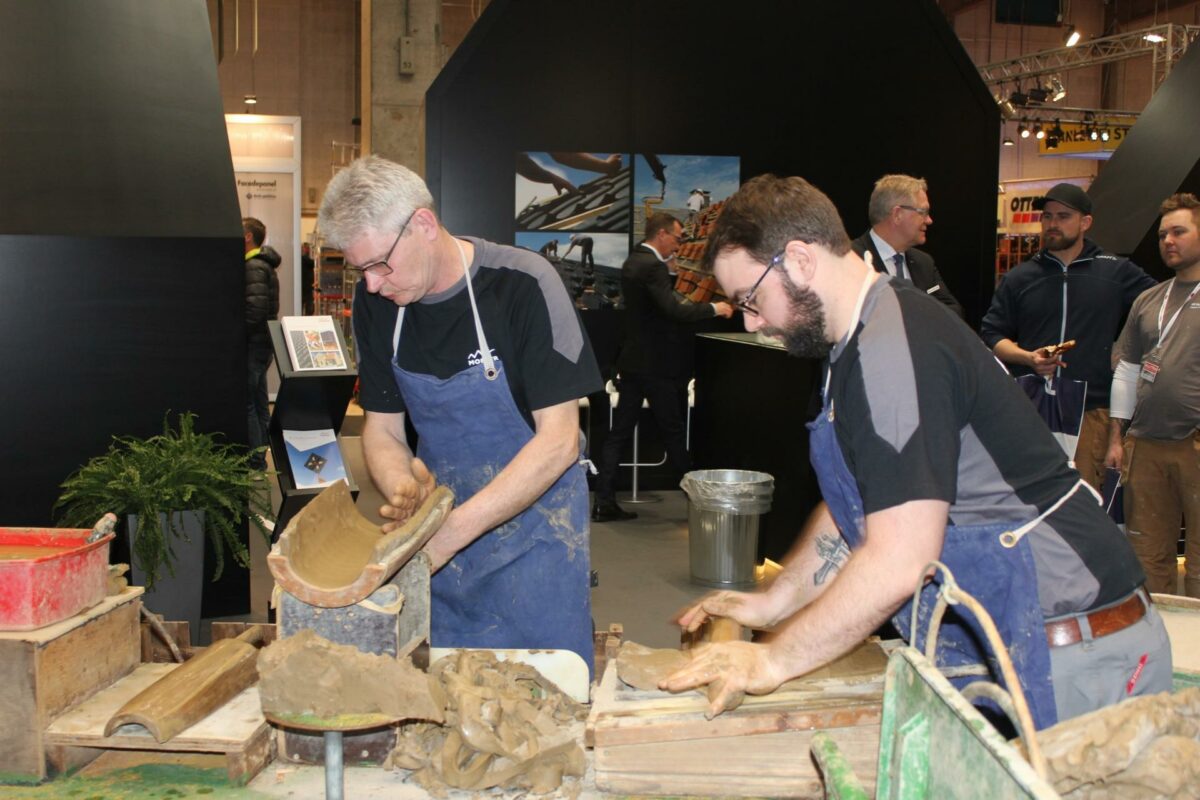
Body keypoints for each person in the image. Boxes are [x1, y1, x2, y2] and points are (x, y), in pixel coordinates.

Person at [661, 174, 1170, 730]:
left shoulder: (891, 348)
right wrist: (774, 602)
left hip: (1072, 655)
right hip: (1008, 640)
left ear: (800, 260)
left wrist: (772, 657)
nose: (754, 324)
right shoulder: (856, 342)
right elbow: (860, 502)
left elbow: (899, 557)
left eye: (751, 300)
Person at [318, 156, 602, 673]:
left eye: (381, 264)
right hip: (435, 535)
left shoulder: (524, 284)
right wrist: (401, 487)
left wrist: (446, 536)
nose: (375, 284)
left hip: (535, 536)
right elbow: (381, 429)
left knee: (543, 698)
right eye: (363, 270)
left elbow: (559, 441)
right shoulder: (376, 302)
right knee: (447, 697)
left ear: (423, 225)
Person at [981, 182, 1157, 491]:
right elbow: (992, 334)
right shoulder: (1020, 278)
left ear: (1085, 222)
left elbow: (1159, 307)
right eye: (1047, 216)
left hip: (1092, 409)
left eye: (1063, 216)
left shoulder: (1115, 272)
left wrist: (1128, 356)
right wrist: (1028, 357)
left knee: (1082, 500)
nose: (1052, 224)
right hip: (1030, 406)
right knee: (1030, 495)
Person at [592, 214, 734, 522]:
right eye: (678, 237)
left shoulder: (634, 261)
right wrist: (715, 307)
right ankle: (703, 506)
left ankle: (603, 500)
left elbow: (651, 308)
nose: (680, 243)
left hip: (631, 364)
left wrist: (668, 276)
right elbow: (672, 310)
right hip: (655, 367)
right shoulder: (652, 266)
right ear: (662, 234)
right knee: (673, 433)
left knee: (618, 435)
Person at [1106, 193, 1200, 597]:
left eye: (1179, 231)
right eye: (1163, 234)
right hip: (1144, 443)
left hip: (1194, 440)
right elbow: (1127, 372)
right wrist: (1116, 437)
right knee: (1147, 553)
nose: (1168, 241)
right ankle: (1161, 648)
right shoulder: (1149, 299)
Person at [850, 174, 964, 319]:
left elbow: (953, 310)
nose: (929, 220)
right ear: (897, 214)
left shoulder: (924, 263)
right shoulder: (851, 260)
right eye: (923, 212)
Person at [243, 217, 280, 470]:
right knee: (258, 401)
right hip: (262, 344)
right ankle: (261, 455)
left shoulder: (253, 266)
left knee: (248, 402)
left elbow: (254, 311)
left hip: (253, 344)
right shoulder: (262, 265)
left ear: (248, 237)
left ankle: (255, 460)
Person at [300, 242, 316, 315]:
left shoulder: (300, 260)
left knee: (303, 306)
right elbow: (312, 263)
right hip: (307, 287)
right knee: (309, 308)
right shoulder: (305, 259)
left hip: (304, 287)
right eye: (307, 248)